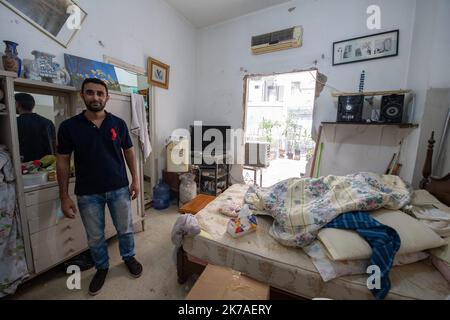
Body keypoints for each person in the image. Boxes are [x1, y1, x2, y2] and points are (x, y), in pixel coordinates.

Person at [56, 78, 142, 296]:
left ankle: (128, 257)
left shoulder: (118, 124)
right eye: (90, 93)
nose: (95, 97)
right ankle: (102, 267)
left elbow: (129, 153)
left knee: (125, 228)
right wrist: (63, 196)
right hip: (87, 192)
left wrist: (136, 180)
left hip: (119, 188)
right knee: (95, 236)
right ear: (82, 95)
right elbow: (63, 160)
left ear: (107, 97)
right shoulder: (69, 127)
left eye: (100, 93)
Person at [15, 93, 56, 162]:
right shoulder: (48, 122)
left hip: (23, 167)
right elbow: (54, 145)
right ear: (33, 106)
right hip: (46, 165)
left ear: (17, 104)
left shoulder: (13, 123)